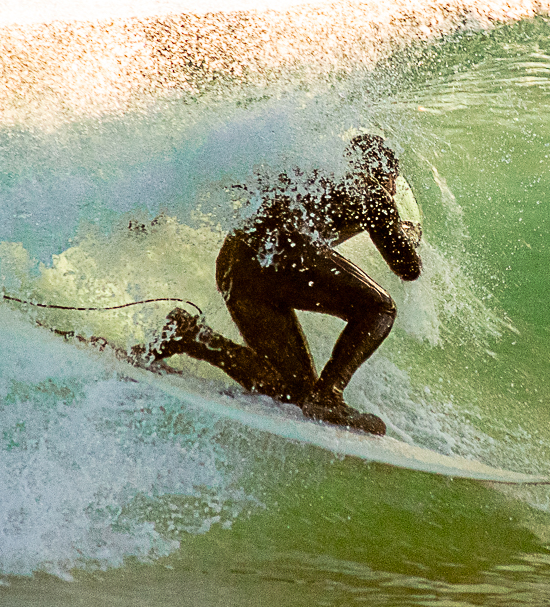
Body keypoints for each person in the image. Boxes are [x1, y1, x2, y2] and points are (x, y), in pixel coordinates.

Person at [152, 133, 422, 436]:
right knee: (380, 308)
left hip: (236, 263)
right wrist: (406, 237)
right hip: (279, 258)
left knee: (294, 392)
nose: (394, 190)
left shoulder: (317, 173)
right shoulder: (373, 192)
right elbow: (408, 268)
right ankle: (328, 396)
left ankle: (190, 335)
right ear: (382, 172)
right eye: (393, 180)